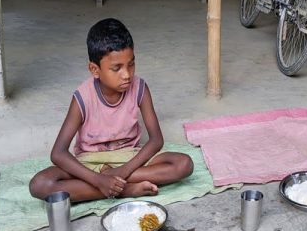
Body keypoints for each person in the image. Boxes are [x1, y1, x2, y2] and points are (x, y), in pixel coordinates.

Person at [29, 18, 193, 203]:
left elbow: (156, 140)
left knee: (183, 164)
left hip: (129, 158)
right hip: (90, 163)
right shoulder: (82, 98)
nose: (127, 74)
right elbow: (58, 153)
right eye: (117, 68)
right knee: (40, 184)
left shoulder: (140, 88)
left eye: (131, 64)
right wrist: (98, 179)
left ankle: (108, 186)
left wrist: (119, 172)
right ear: (95, 69)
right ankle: (126, 190)